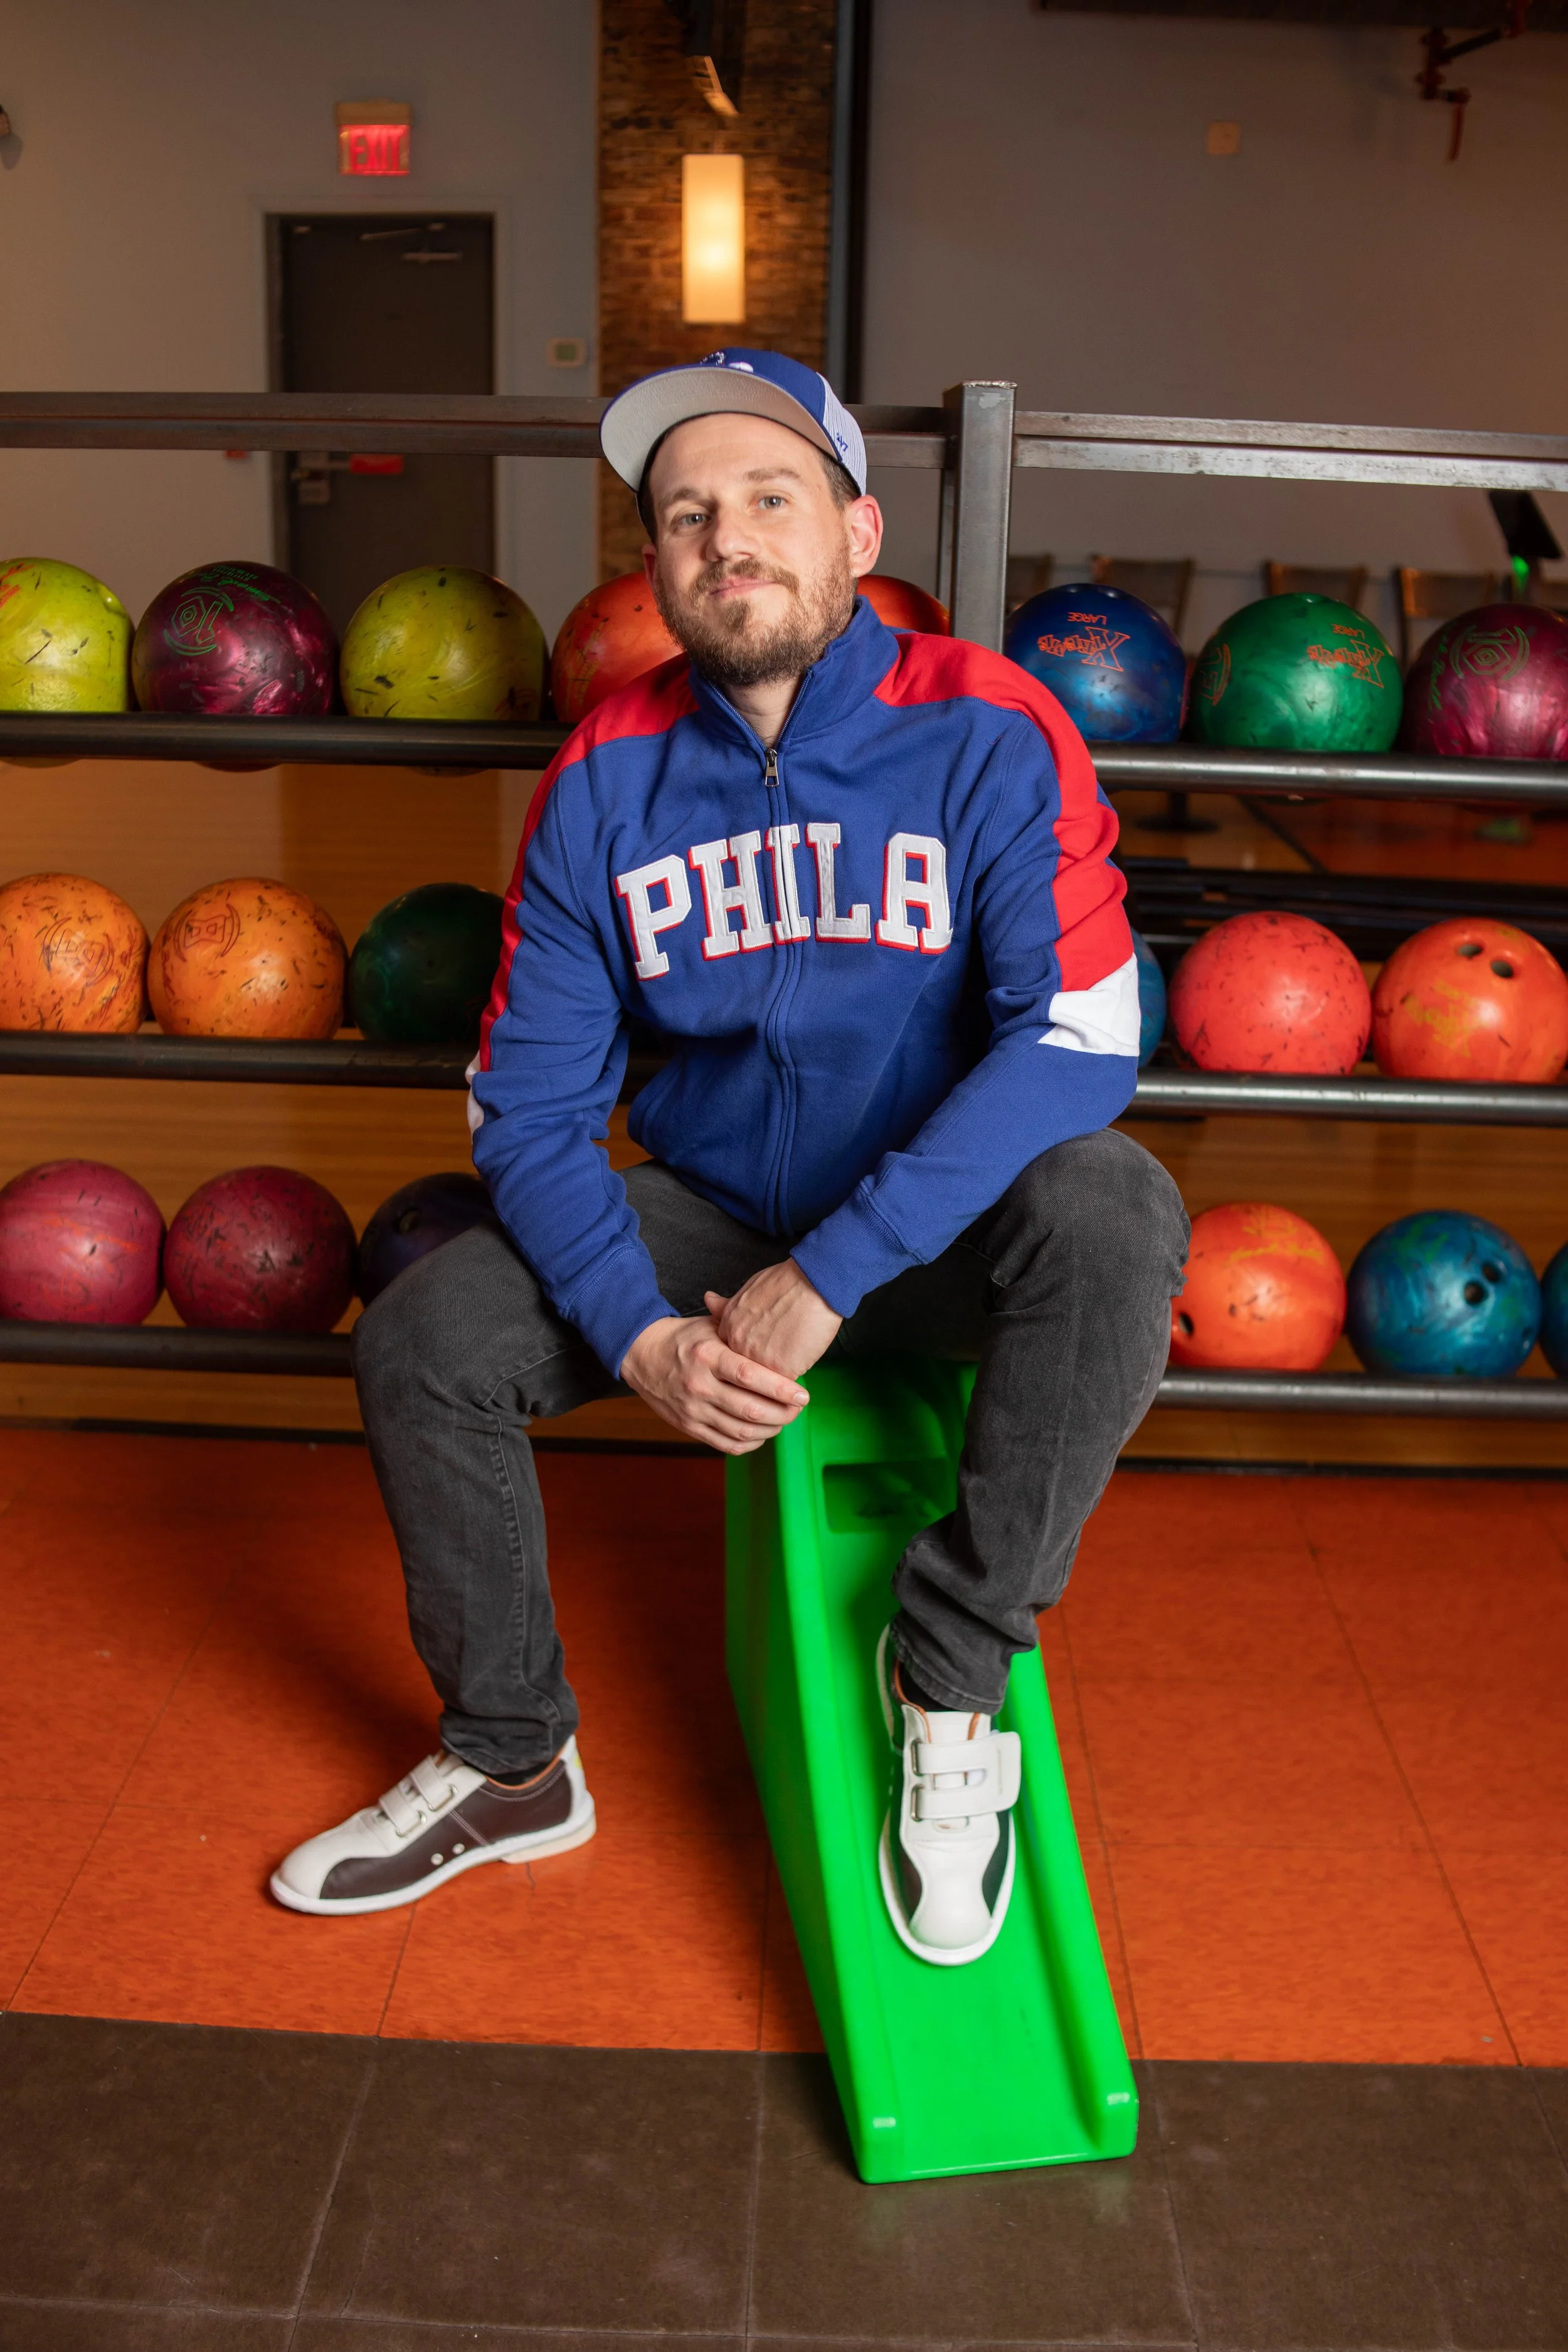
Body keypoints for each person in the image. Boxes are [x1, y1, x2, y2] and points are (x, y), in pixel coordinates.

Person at [271, 349, 1187, 1963]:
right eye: (685, 514)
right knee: (427, 1334)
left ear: (853, 528)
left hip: (925, 1227)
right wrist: (640, 1334)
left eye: (769, 498)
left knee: (1114, 1206)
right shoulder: (606, 775)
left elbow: (1079, 1039)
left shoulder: (986, 724)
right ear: (655, 566)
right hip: (708, 1211)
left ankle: (952, 1673)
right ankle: (510, 1756)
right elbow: (525, 1111)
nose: (726, 538)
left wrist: (829, 1276)